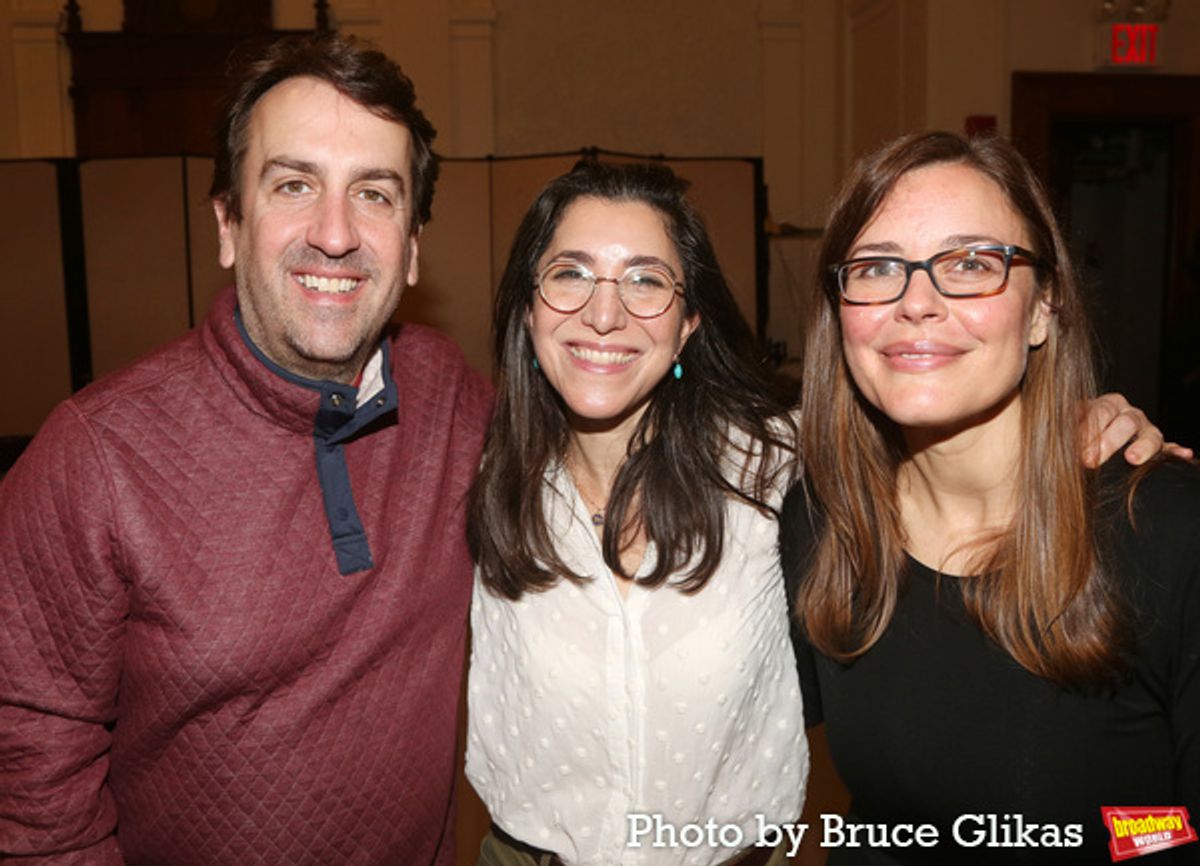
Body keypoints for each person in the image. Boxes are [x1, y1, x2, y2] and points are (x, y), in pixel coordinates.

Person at [461, 159, 1167, 866]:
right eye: (570, 274)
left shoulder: (777, 465)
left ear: (688, 324)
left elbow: (926, 402)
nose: (604, 312)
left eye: (647, 279)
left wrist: (1081, 415)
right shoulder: (470, 472)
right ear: (529, 305)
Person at [0, 33, 490, 865]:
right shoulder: (95, 457)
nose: (334, 235)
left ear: (411, 249)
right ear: (229, 223)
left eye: (374, 194)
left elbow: (588, 470)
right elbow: (31, 753)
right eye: (294, 184)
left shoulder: (449, 397)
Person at [781, 131, 1200, 864]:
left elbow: (1179, 826)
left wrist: (1115, 841)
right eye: (879, 267)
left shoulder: (1166, 527)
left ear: (1043, 308)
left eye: (972, 263)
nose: (917, 303)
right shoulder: (823, 523)